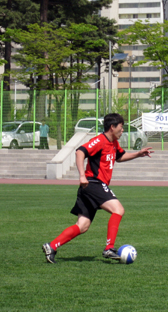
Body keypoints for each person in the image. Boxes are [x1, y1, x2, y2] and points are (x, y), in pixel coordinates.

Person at [42, 113, 153, 264]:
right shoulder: (99, 141)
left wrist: (138, 154)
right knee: (118, 210)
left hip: (91, 187)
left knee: (82, 226)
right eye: (121, 127)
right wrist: (82, 175)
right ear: (112, 127)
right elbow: (80, 151)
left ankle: (52, 246)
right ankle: (109, 248)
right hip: (94, 183)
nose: (122, 130)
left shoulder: (114, 143)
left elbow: (119, 157)